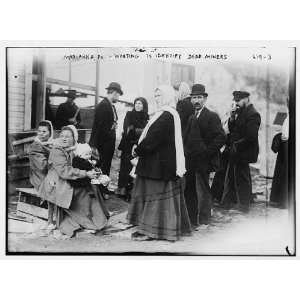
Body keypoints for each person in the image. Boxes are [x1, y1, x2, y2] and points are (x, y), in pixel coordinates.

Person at [127, 85, 192, 242]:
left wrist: (138, 150)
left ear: (168, 96)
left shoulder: (167, 115)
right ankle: (150, 228)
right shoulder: (164, 114)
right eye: (155, 95)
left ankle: (152, 231)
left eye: (159, 95)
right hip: (156, 163)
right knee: (154, 198)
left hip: (158, 165)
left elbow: (154, 138)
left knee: (155, 198)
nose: (156, 98)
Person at [39, 125, 109, 239]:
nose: (64, 138)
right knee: (83, 192)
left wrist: (92, 169)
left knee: (92, 187)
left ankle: (95, 218)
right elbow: (65, 171)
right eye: (62, 136)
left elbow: (79, 163)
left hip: (65, 179)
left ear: (73, 139)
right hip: (56, 183)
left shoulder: (70, 150)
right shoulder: (57, 151)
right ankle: (89, 220)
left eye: (68, 136)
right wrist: (85, 174)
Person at [184, 84, 226, 226]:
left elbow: (221, 137)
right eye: (194, 97)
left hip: (204, 160)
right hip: (190, 160)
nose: (197, 100)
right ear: (191, 100)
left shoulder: (211, 116)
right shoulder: (191, 117)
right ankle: (192, 217)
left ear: (205, 99)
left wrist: (207, 152)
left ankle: (204, 218)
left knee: (202, 189)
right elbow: (186, 137)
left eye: (199, 97)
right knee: (190, 189)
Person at [220, 91, 261, 212]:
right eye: (235, 101)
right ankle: (230, 202)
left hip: (244, 151)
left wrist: (235, 145)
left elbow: (251, 136)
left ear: (247, 99)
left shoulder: (253, 114)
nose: (236, 103)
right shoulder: (240, 112)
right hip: (236, 150)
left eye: (238, 101)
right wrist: (232, 117)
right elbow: (233, 130)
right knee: (232, 176)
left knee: (242, 177)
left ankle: (244, 205)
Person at [89, 82, 122, 197]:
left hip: (107, 143)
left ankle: (103, 189)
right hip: (103, 143)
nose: (118, 97)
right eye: (118, 95)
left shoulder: (110, 105)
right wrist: (94, 146)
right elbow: (98, 127)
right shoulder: (103, 106)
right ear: (114, 93)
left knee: (105, 166)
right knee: (101, 167)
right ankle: (99, 191)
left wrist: (112, 126)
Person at [116, 97, 149, 200]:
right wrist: (141, 131)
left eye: (140, 104)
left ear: (144, 105)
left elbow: (147, 132)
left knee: (135, 169)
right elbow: (128, 130)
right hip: (128, 145)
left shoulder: (146, 116)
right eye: (136, 103)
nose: (138, 105)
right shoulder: (129, 114)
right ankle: (123, 191)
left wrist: (138, 132)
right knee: (125, 168)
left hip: (139, 146)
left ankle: (132, 192)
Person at [28, 120, 55, 227]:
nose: (41, 134)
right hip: (39, 177)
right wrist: (57, 160)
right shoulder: (35, 146)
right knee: (56, 185)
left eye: (44, 132)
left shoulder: (49, 144)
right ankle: (51, 218)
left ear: (50, 132)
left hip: (48, 174)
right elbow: (42, 166)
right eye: (39, 131)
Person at [270, 100, 289, 208]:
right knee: (281, 173)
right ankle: (279, 200)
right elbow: (278, 128)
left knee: (286, 173)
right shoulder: (286, 116)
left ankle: (284, 201)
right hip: (284, 146)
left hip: (289, 145)